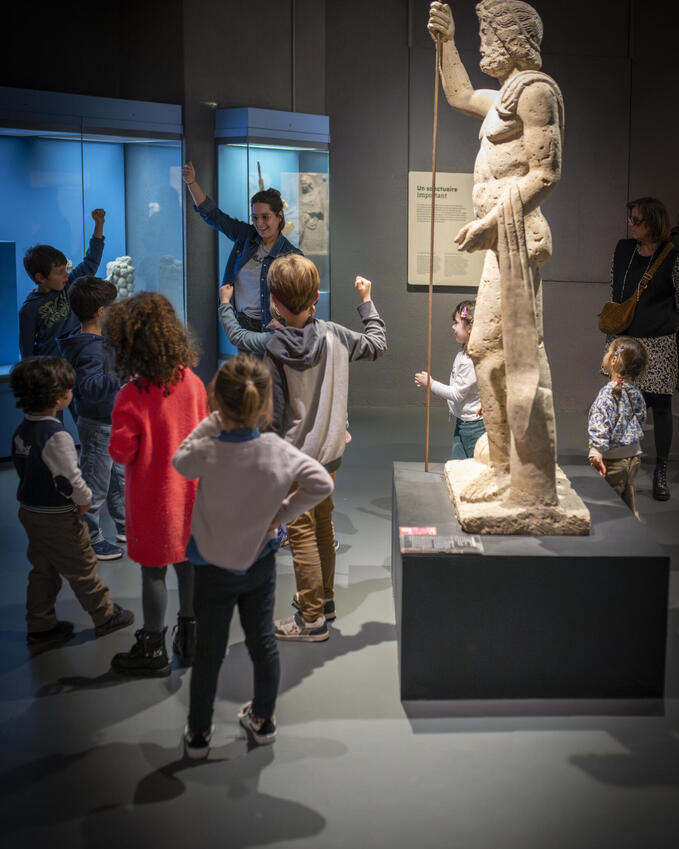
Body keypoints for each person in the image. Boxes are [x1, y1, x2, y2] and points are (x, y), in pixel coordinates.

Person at [427, 1, 564, 509]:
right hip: (501, 241)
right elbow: (459, 93)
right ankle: (511, 464)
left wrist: (489, 221)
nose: (482, 42)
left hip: (515, 239)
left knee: (502, 353)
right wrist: (446, 42)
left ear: (512, 40)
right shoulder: (507, 95)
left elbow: (545, 174)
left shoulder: (535, 94)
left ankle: (520, 473)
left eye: (487, 33)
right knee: (495, 353)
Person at [173, 355, 334, 757]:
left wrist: (213, 421)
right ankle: (263, 719)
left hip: (210, 566)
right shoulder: (276, 449)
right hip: (258, 561)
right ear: (264, 406)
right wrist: (279, 516)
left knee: (209, 650)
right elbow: (321, 482)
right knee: (263, 642)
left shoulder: (208, 449)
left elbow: (180, 461)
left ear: (216, 401)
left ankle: (197, 733)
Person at [264, 255, 387, 642]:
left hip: (296, 463)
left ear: (274, 302)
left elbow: (273, 419)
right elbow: (378, 344)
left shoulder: (274, 348)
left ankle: (311, 619)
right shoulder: (336, 334)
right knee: (322, 527)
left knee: (300, 535)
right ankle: (326, 601)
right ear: (316, 297)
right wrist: (366, 300)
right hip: (331, 456)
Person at [104, 292, 209, 676]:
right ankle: (191, 637)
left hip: (152, 499)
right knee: (188, 565)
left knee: (153, 571)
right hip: (191, 494)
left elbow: (121, 452)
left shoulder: (131, 395)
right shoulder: (193, 382)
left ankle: (152, 646)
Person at [9, 357, 134, 648]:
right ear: (57, 396)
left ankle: (40, 625)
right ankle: (105, 615)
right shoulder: (57, 436)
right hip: (57, 516)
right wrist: (85, 502)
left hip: (31, 512)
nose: (71, 394)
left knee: (43, 569)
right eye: (69, 390)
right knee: (83, 566)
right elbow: (72, 480)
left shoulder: (22, 430)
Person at [606, 197, 679, 500]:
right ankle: (624, 471)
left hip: (660, 340)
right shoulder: (624, 250)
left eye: (636, 220)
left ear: (652, 222)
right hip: (627, 339)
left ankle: (660, 470)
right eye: (631, 219)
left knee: (660, 407)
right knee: (626, 408)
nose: (630, 224)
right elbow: (615, 288)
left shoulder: (672, 254)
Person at [182, 161, 301, 335]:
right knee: (243, 364)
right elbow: (214, 215)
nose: (259, 223)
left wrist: (286, 328)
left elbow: (304, 300)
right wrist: (191, 183)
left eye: (266, 217)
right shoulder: (246, 236)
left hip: (272, 330)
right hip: (243, 324)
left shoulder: (292, 255)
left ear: (279, 216)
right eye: (255, 217)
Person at [57, 277, 125, 561]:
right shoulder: (89, 348)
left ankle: (125, 525)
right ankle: (90, 537)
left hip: (110, 422)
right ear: (100, 311)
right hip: (99, 425)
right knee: (95, 484)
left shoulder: (94, 342)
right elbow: (91, 387)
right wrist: (121, 372)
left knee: (118, 478)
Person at [19, 209, 107, 359]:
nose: (66, 275)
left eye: (65, 269)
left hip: (76, 365)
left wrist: (99, 225)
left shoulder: (69, 285)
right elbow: (26, 351)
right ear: (40, 277)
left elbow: (91, 261)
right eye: (59, 272)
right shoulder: (29, 309)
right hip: (51, 373)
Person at [414, 299, 485, 459]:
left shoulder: (469, 361)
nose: (453, 327)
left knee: (475, 468)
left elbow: (457, 394)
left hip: (474, 427)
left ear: (470, 328)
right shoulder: (463, 355)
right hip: (463, 423)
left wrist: (431, 384)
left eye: (456, 323)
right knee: (459, 466)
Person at [588, 337, 648, 517]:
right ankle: (634, 533)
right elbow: (641, 419)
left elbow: (600, 421)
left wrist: (596, 451)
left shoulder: (608, 393)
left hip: (613, 460)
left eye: (608, 351)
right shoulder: (635, 392)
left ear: (613, 360)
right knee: (629, 499)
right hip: (633, 457)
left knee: (611, 506)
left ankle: (614, 538)